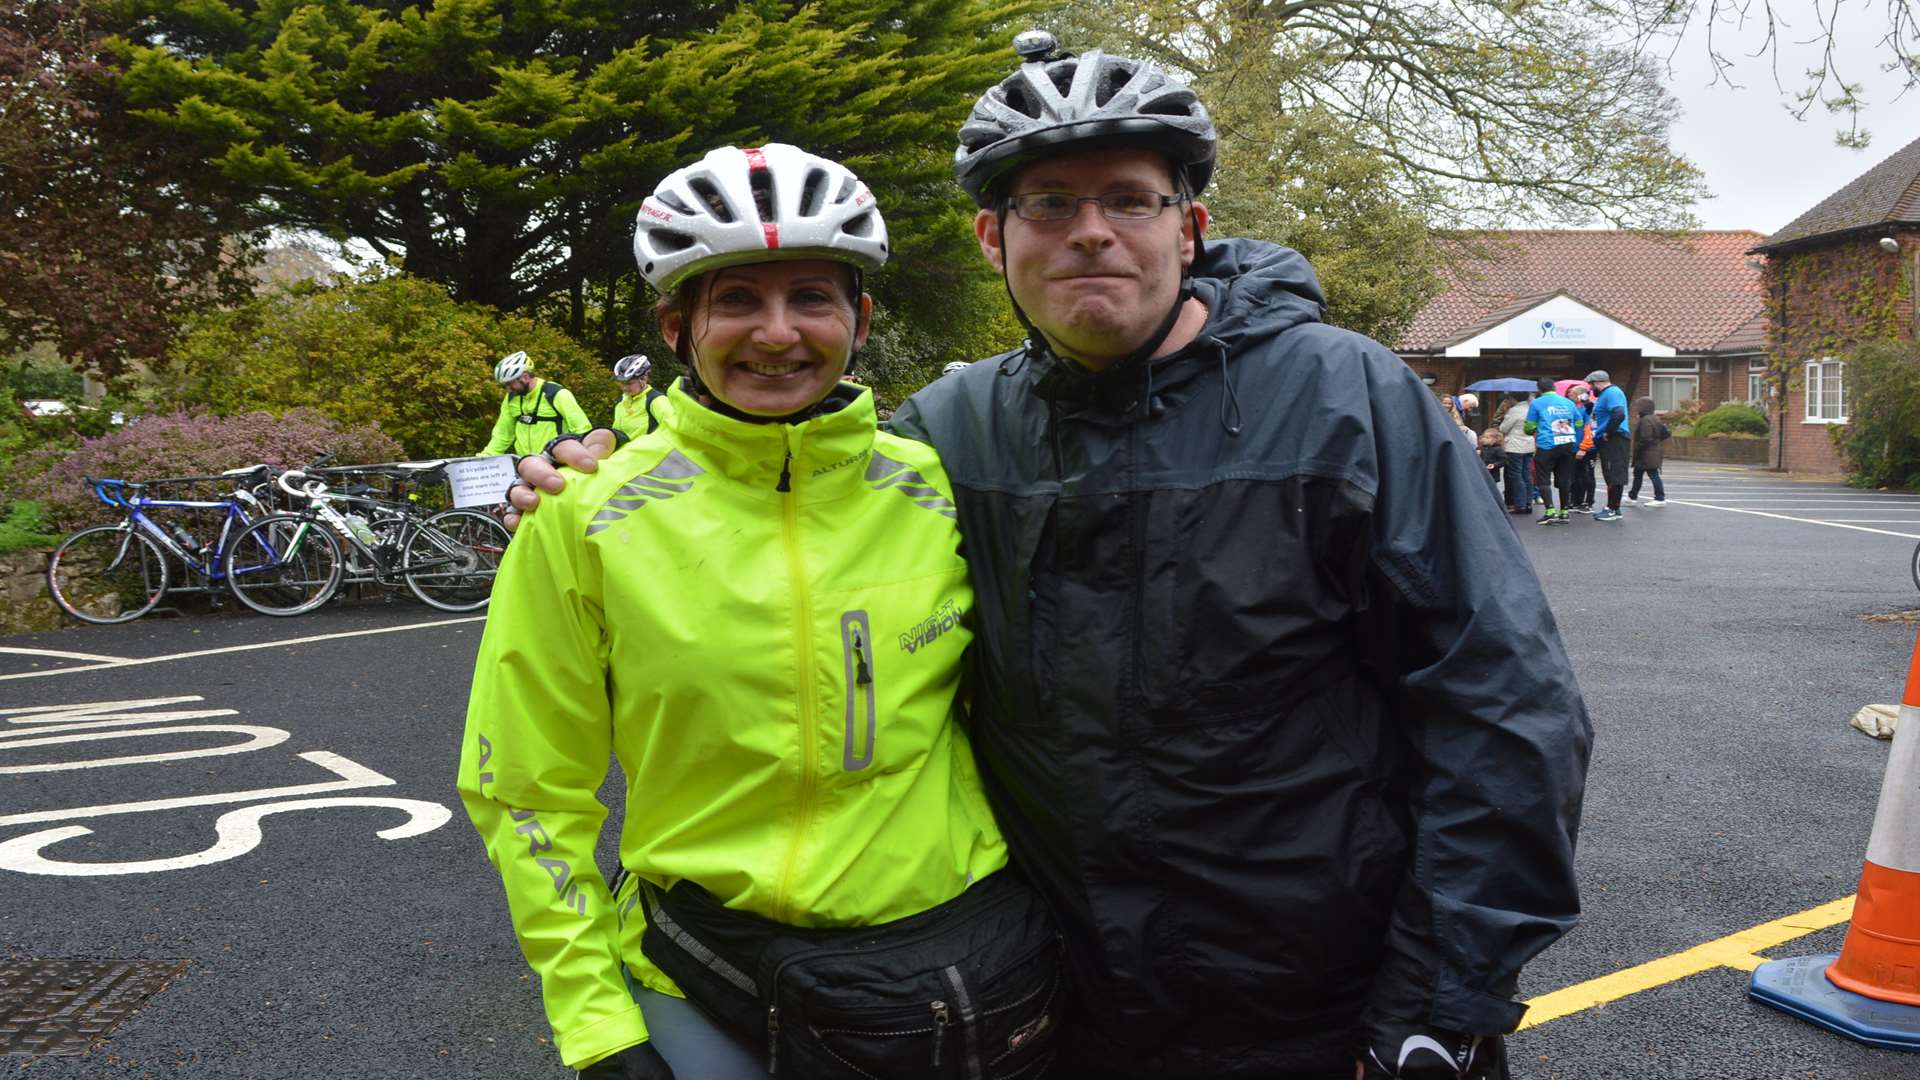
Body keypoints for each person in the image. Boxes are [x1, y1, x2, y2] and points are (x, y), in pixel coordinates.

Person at [512, 35, 1592, 1080]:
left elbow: (1503, 707)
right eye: (1049, 205)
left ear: (1192, 226)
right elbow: (788, 477)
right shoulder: (951, 431)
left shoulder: (1345, 399)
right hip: (1061, 1009)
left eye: (1128, 198)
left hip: (1320, 1008)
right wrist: (603, 477)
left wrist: (1438, 1005)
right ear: (994, 238)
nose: (1091, 233)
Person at [460, 144, 1058, 1080]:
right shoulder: (582, 516)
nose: (776, 333)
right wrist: (596, 1025)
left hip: (954, 956)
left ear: (858, 322)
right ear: (675, 326)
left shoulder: (942, 488)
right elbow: (527, 791)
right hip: (711, 965)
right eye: (736, 300)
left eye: (812, 299)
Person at [480, 350, 592, 457]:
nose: (508, 388)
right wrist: (484, 458)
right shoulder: (511, 398)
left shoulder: (556, 394)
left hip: (557, 463)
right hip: (526, 465)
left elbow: (582, 430)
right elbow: (503, 434)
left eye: (510, 383)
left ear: (525, 377)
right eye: (505, 385)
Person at [1526, 377, 1584, 526]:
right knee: (1565, 479)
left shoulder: (1536, 403)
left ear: (1539, 390)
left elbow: (1529, 427)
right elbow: (1579, 422)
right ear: (1554, 388)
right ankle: (1564, 512)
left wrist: (1535, 428)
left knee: (1543, 478)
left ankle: (1550, 512)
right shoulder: (1569, 402)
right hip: (1567, 444)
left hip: (1547, 445)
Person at [1578, 370, 1631, 522]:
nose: (1590, 388)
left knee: (1615, 474)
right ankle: (1611, 507)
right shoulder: (1604, 395)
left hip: (1616, 438)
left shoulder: (1612, 393)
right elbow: (1598, 414)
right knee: (1610, 474)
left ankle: (1614, 509)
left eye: (1591, 385)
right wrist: (1587, 403)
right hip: (1608, 438)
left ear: (1597, 383)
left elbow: (1619, 414)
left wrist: (1608, 431)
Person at [609, 353, 666, 439]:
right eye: (621, 384)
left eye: (629, 383)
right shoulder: (622, 401)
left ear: (644, 379)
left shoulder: (656, 400)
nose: (625, 388)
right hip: (625, 451)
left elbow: (671, 427)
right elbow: (617, 431)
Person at [1627, 395, 1670, 507]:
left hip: (1646, 454)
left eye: (1638, 406)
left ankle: (1660, 498)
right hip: (1652, 452)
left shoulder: (1645, 420)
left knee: (1652, 475)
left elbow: (1646, 438)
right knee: (1638, 474)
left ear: (1643, 407)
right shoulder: (1655, 418)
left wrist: (1638, 447)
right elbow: (1666, 434)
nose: (1637, 408)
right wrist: (1657, 441)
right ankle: (1632, 497)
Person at [1498, 394, 1536, 514]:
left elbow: (1503, 428)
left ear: (1513, 398)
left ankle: (1520, 504)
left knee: (1516, 475)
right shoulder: (1531, 408)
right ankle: (1528, 502)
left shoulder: (1514, 411)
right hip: (1529, 445)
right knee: (1527, 474)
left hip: (1515, 446)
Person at [1566, 384, 1596, 513]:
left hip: (1585, 448)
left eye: (1572, 393)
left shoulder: (1586, 409)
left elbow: (1588, 429)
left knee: (1586, 475)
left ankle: (1587, 502)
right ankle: (1575, 500)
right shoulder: (1574, 408)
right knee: (1575, 475)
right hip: (1573, 447)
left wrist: (1583, 448)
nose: (1569, 395)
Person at [1476, 428, 1508, 503]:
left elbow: (1503, 460)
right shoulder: (1482, 448)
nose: (1484, 439)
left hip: (1493, 474)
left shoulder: (1498, 449)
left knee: (1492, 489)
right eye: (1484, 437)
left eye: (1487, 438)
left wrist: (1494, 465)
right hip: (1483, 473)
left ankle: (1495, 502)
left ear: (1494, 440)